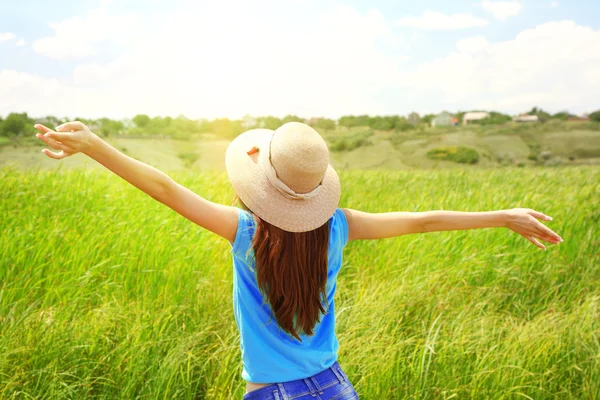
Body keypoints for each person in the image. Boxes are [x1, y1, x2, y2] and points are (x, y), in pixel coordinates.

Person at [34, 121, 563, 399]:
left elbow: (165, 187)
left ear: (263, 188)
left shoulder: (245, 233)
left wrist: (95, 146)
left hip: (271, 393)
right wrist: (503, 214)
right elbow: (425, 219)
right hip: (334, 384)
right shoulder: (340, 226)